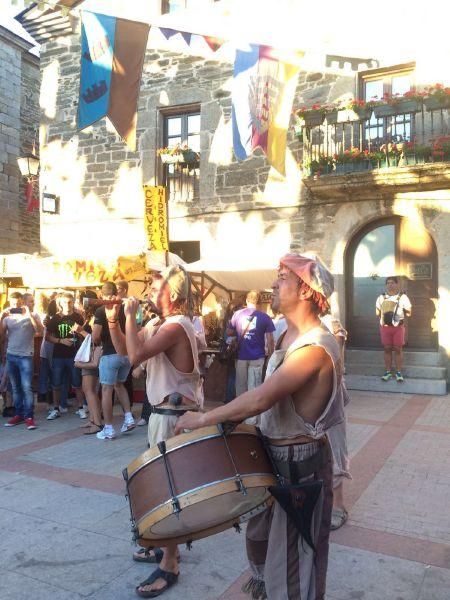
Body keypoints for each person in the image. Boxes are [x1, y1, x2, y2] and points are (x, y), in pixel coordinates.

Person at [176, 253, 346, 600]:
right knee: (260, 544)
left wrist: (204, 418)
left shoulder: (316, 346)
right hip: (272, 462)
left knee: (293, 567)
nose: (273, 283)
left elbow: (261, 398)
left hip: (300, 472)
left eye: (282, 277)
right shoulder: (287, 336)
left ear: (305, 290)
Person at [110, 265, 203, 598]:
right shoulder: (159, 325)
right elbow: (124, 353)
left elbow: (135, 355)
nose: (148, 288)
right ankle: (164, 545)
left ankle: (171, 562)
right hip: (161, 414)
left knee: (169, 490)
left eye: (155, 283)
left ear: (173, 294)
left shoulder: (177, 326)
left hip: (173, 416)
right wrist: (113, 319)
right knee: (161, 486)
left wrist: (131, 314)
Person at [321, 312, 352, 530]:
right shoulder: (285, 323)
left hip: (329, 395)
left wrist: (337, 372)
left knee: (335, 448)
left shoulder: (328, 320)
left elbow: (339, 338)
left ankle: (338, 505)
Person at [93, 282, 134, 440]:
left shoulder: (101, 309)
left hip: (110, 354)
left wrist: (99, 340)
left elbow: (96, 335)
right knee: (119, 385)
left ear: (102, 295)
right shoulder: (125, 306)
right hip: (127, 355)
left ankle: (109, 428)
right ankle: (129, 417)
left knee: (106, 390)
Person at [1, 292, 44, 430]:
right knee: (15, 388)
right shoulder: (8, 316)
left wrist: (29, 315)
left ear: (22, 302)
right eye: (13, 303)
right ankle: (19, 414)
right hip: (11, 355)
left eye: (18, 303)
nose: (15, 305)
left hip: (26, 356)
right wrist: (2, 318)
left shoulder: (33, 315)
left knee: (27, 387)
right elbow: (1, 337)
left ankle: (29, 416)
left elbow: (40, 331)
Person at [228, 290, 275, 397]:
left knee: (240, 388)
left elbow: (229, 332)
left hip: (241, 356)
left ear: (246, 300)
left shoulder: (237, 314)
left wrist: (239, 331)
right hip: (258, 357)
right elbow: (270, 340)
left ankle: (240, 411)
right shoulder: (265, 317)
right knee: (254, 388)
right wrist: (270, 357)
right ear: (259, 302)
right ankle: (253, 413)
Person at [46, 292, 85, 420]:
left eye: (69, 302)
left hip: (74, 354)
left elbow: (84, 334)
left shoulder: (78, 317)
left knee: (77, 383)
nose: (67, 305)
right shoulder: (55, 318)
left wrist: (79, 333)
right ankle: (56, 408)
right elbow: (47, 336)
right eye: (64, 302)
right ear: (60, 304)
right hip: (58, 355)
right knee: (56, 383)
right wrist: (60, 341)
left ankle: (80, 408)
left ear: (73, 302)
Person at [376, 276, 412, 382]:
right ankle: (387, 371)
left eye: (392, 282)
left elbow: (409, 312)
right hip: (385, 328)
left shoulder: (403, 297)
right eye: (388, 283)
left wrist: (400, 313)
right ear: (386, 285)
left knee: (398, 349)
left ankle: (399, 372)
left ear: (397, 284)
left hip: (398, 328)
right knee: (387, 348)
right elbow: (377, 312)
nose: (390, 285)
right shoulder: (381, 297)